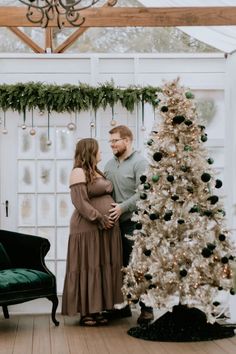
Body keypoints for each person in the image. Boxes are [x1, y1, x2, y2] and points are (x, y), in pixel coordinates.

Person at [62, 138, 123, 326]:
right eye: (98, 150)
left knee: (101, 264)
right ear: (89, 152)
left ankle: (98, 308)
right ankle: (86, 312)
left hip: (105, 228)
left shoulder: (97, 171)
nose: (101, 153)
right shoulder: (77, 172)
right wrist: (99, 218)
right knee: (88, 266)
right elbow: (80, 202)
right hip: (88, 226)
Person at [104, 125, 154, 326]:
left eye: (115, 140)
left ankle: (147, 309)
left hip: (133, 224)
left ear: (128, 140)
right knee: (120, 265)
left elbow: (144, 192)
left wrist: (123, 208)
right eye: (110, 142)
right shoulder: (109, 164)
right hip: (113, 225)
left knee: (137, 266)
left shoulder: (140, 163)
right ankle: (123, 306)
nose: (112, 145)